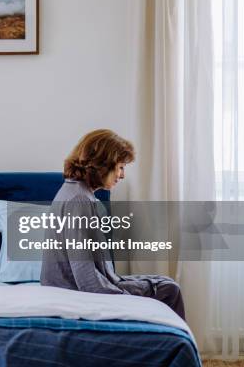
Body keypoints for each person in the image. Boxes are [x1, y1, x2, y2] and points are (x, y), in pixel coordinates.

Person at [40, 129, 185, 319]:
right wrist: (125, 298)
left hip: (81, 287)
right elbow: (86, 278)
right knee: (169, 290)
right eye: (121, 167)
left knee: (166, 284)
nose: (122, 175)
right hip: (74, 293)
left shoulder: (77, 192)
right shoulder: (79, 200)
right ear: (103, 164)